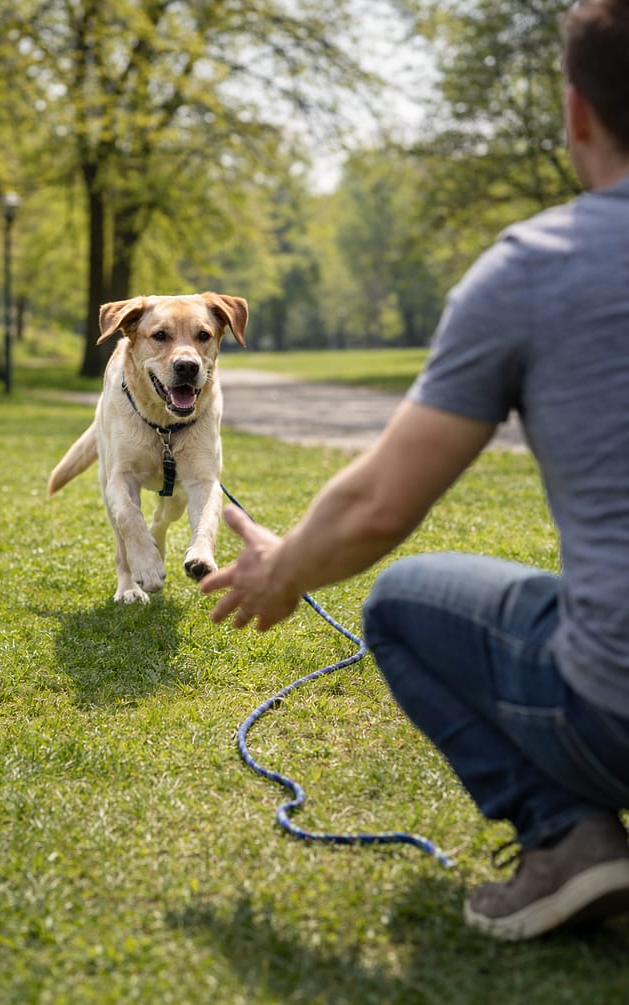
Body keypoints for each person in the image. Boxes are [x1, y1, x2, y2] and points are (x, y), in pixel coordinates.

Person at [200, 0, 629, 941]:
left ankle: (566, 838)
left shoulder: (535, 268)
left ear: (576, 115)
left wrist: (281, 571)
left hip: (614, 711)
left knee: (400, 603)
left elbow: (375, 506)